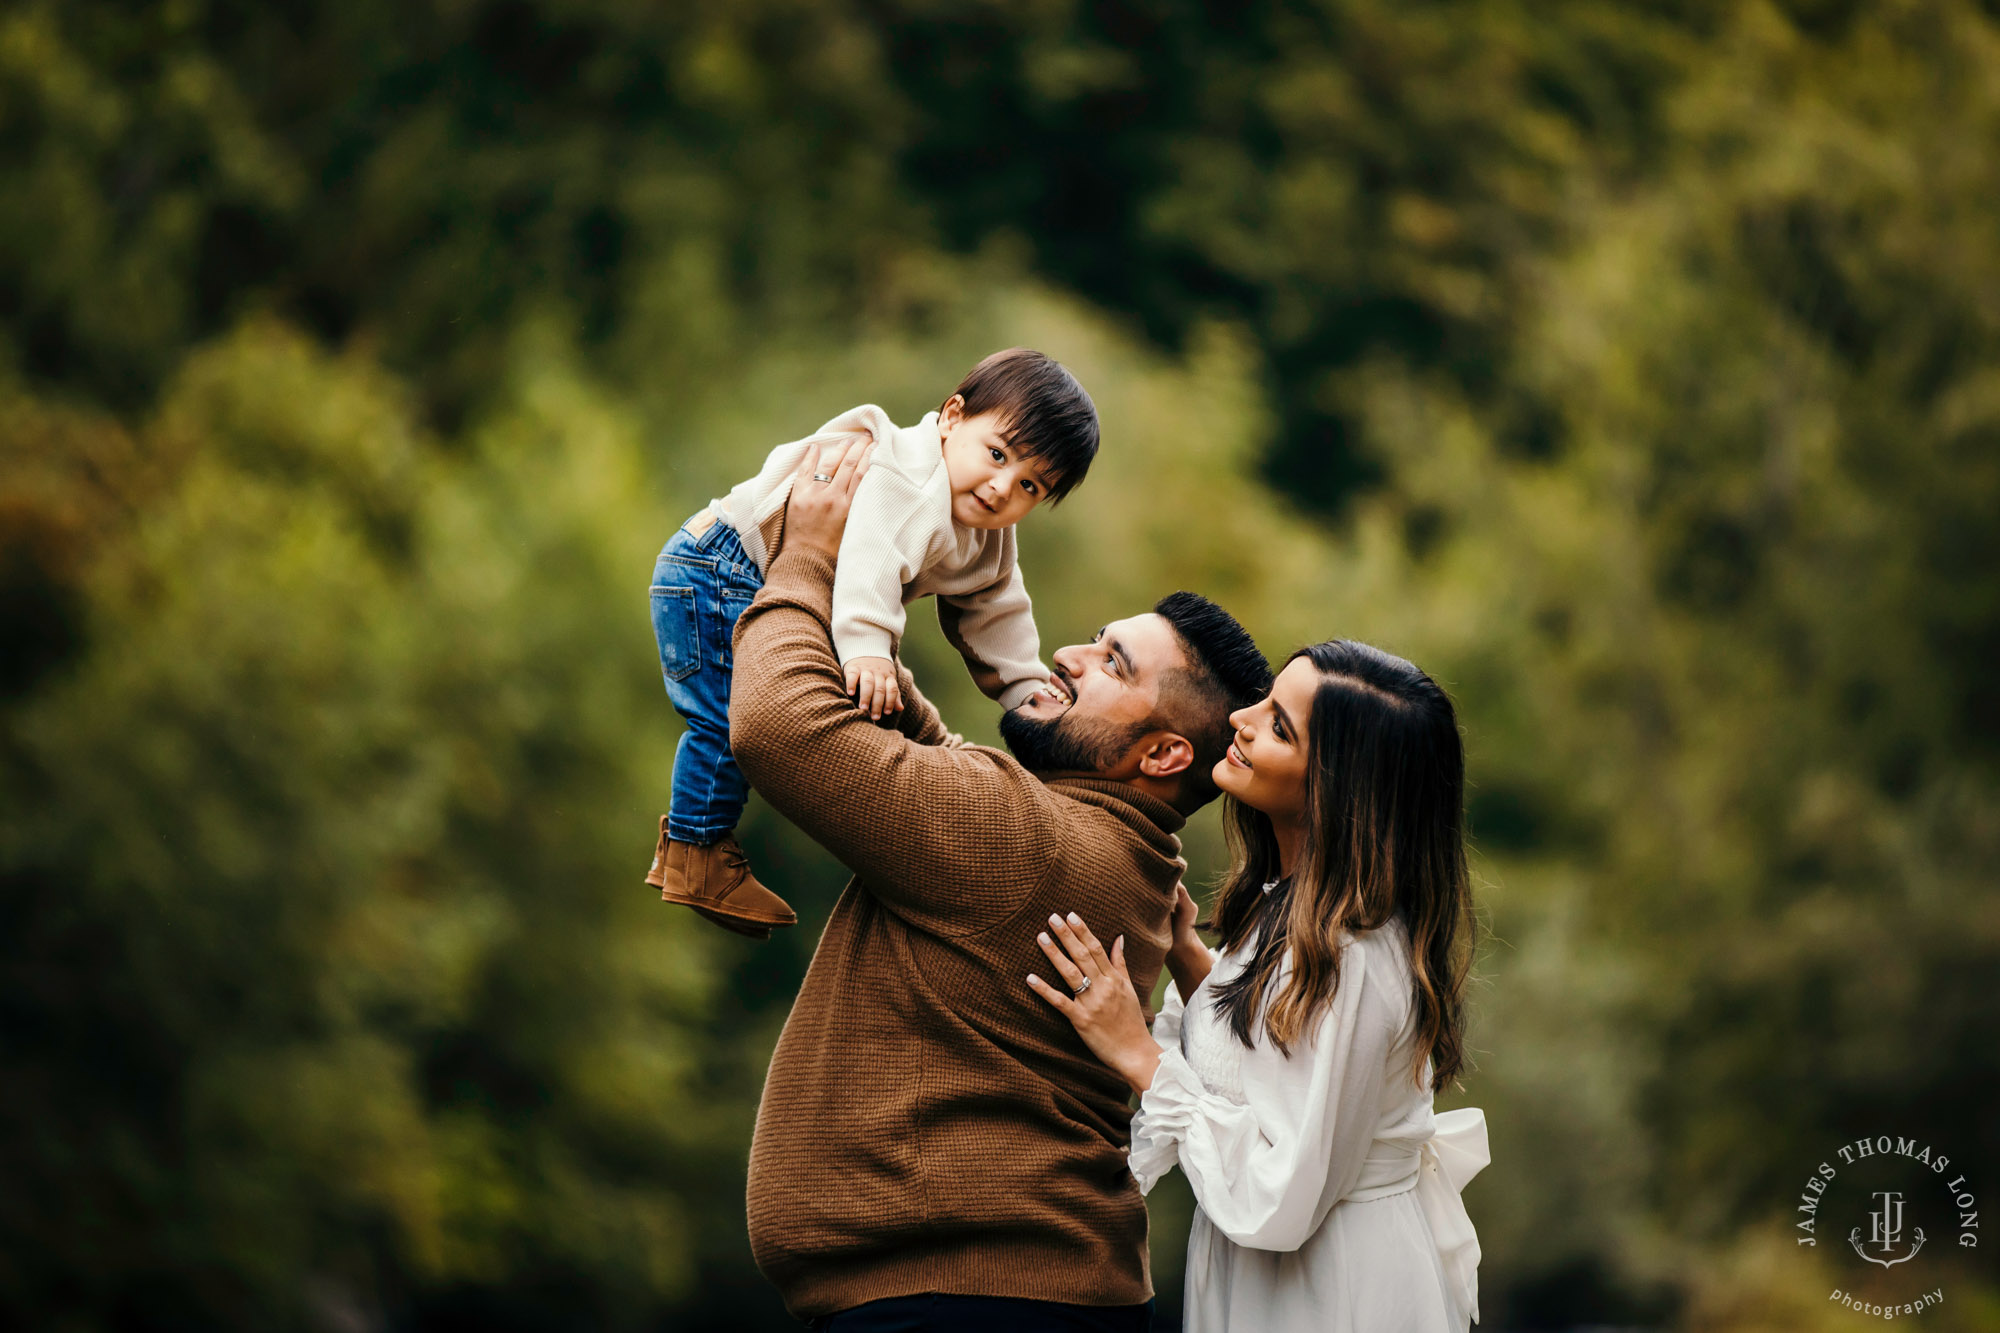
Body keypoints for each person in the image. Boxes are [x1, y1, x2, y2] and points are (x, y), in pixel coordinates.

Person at [727, 437, 1272, 1331]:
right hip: (1004, 1297)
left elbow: (780, 728)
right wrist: (899, 698)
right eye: (1097, 642)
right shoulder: (1121, 852)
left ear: (1165, 753)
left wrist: (809, 560)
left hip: (961, 1306)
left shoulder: (1020, 838)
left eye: (1112, 664)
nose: (1067, 654)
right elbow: (964, 799)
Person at [1029, 641, 1490, 1331]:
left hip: (1330, 1290)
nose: (1241, 717)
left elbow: (1283, 1199)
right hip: (1275, 1281)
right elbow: (1272, 1057)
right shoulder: (1292, 908)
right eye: (1267, 701)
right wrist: (1189, 954)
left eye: (1279, 726)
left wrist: (1140, 1055)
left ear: (1336, 789)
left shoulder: (1357, 953)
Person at [645, 348, 1099, 938]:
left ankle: (689, 846)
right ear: (952, 417)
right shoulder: (907, 479)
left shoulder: (989, 536)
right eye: (996, 454)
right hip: (720, 566)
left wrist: (1029, 693)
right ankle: (694, 851)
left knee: (774, 707)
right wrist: (865, 649)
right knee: (729, 717)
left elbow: (998, 613)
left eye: (1029, 484)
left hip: (766, 579)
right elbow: (870, 557)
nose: (999, 487)